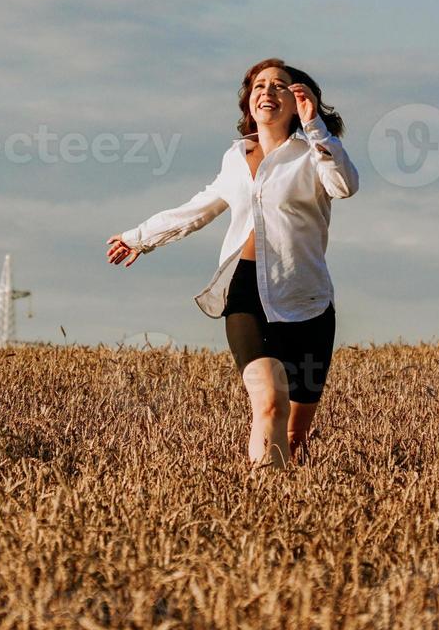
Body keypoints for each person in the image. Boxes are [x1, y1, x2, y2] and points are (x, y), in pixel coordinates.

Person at [106, 58, 358, 469]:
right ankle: (262, 503)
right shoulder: (236, 158)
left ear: (298, 101)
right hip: (244, 295)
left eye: (280, 85)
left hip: (307, 300)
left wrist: (316, 129)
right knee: (270, 405)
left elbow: (344, 186)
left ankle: (295, 511)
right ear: (249, 100)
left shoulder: (314, 153)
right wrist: (140, 237)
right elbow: (198, 208)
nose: (268, 91)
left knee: (295, 434)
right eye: (260, 85)